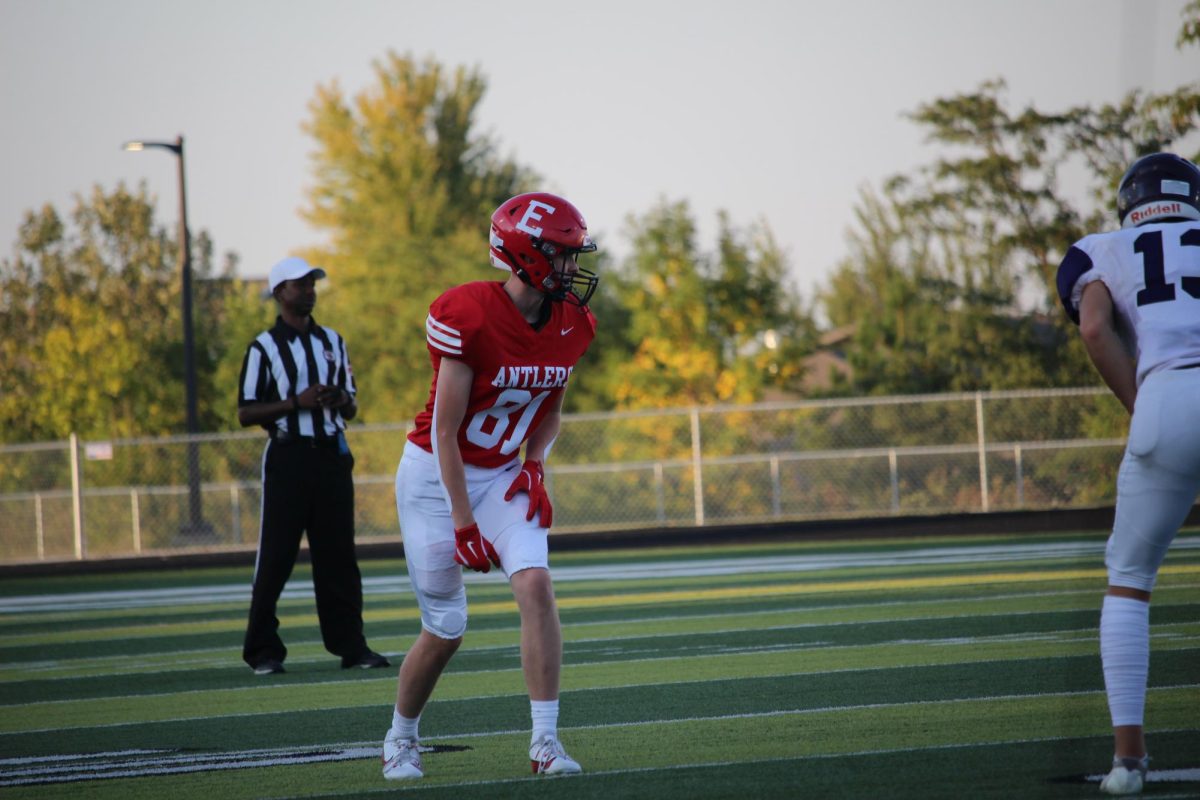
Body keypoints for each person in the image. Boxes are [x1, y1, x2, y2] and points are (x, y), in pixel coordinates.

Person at [380, 193, 600, 780]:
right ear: (526, 254)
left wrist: (536, 463)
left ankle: (546, 743)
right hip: (435, 477)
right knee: (446, 628)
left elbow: (549, 407)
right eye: (562, 256)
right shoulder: (468, 313)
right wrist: (463, 522)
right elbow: (446, 432)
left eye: (575, 256)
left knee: (536, 588)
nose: (572, 269)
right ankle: (400, 737)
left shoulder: (571, 323)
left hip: (503, 474)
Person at [1056, 152, 1200, 796]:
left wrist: (1145, 409)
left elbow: (1093, 327)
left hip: (1167, 396)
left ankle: (1128, 762)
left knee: (1130, 580)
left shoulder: (1102, 249)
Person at [237, 256, 389, 676]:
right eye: (300, 284)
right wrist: (294, 403)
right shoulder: (263, 347)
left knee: (339, 555)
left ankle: (351, 646)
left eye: (311, 283)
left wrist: (340, 399)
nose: (309, 290)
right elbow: (245, 412)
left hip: (332, 454)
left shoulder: (333, 342)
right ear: (279, 293)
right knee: (276, 556)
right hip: (288, 455)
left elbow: (354, 405)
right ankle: (263, 650)